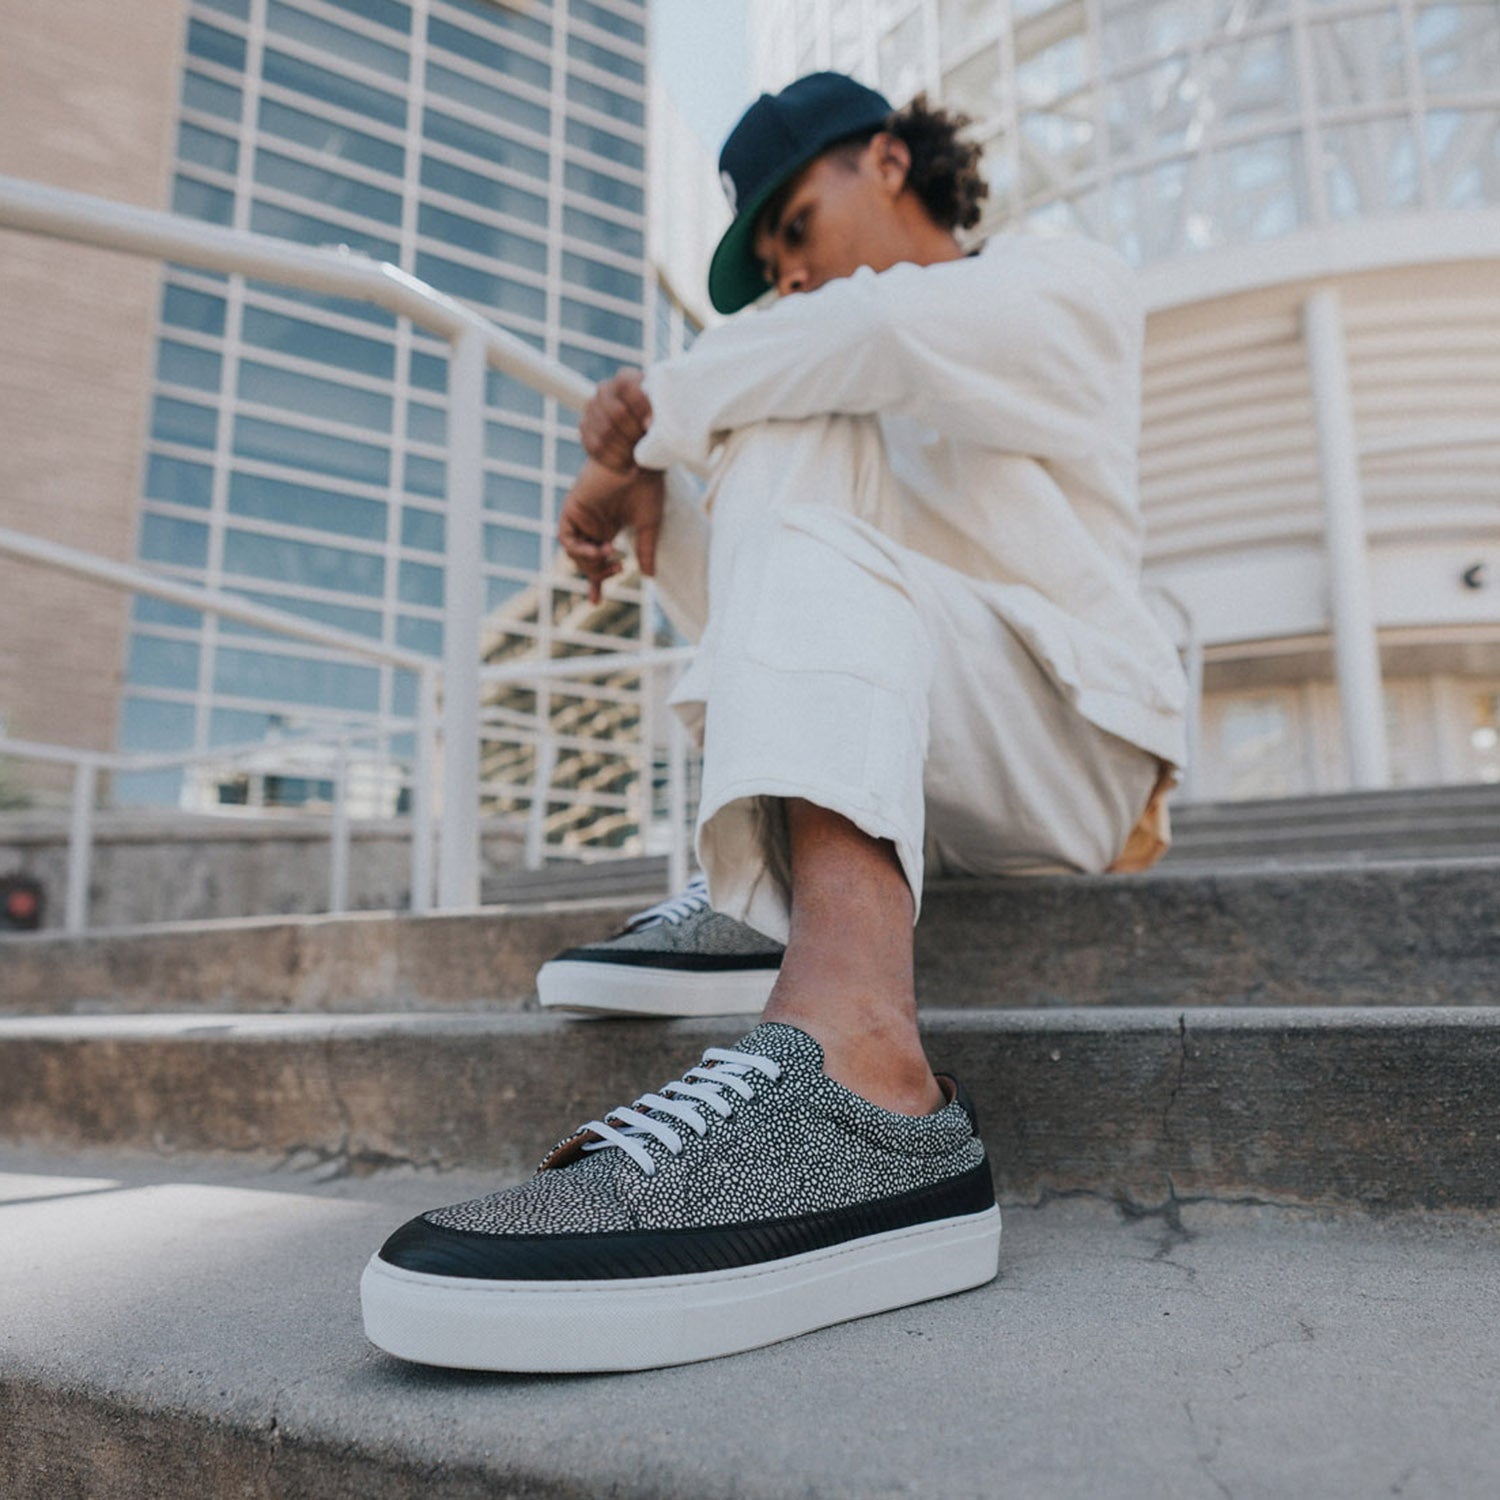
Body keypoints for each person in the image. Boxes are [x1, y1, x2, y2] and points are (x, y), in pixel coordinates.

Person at [360, 72, 1188, 1374]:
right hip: (906, 751)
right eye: (771, 259)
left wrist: (642, 424)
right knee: (783, 438)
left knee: (803, 392)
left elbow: (881, 336)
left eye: (796, 225)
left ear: (889, 162)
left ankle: (863, 1067)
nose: (789, 271)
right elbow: (789, 622)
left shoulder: (1057, 283)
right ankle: (767, 906)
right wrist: (661, 509)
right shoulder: (819, 371)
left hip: (1075, 747)